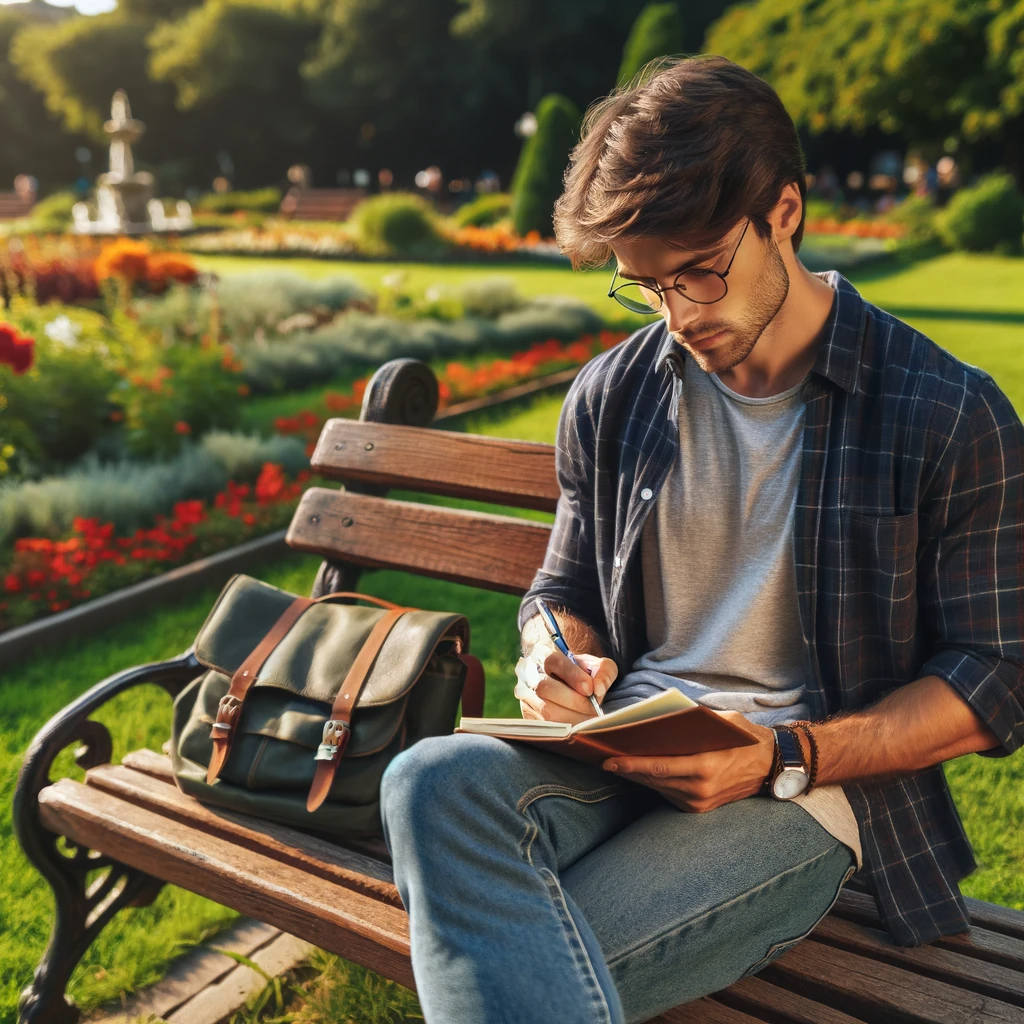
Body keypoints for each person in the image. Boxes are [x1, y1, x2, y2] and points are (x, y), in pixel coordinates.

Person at [378, 56, 1024, 1023]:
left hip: (801, 787)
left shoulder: (946, 411)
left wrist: (776, 754)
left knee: (533, 955)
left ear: (786, 212)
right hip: (620, 746)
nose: (679, 317)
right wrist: (554, 653)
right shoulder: (613, 393)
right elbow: (562, 589)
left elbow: (995, 681)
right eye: (645, 287)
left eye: (700, 272)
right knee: (429, 778)